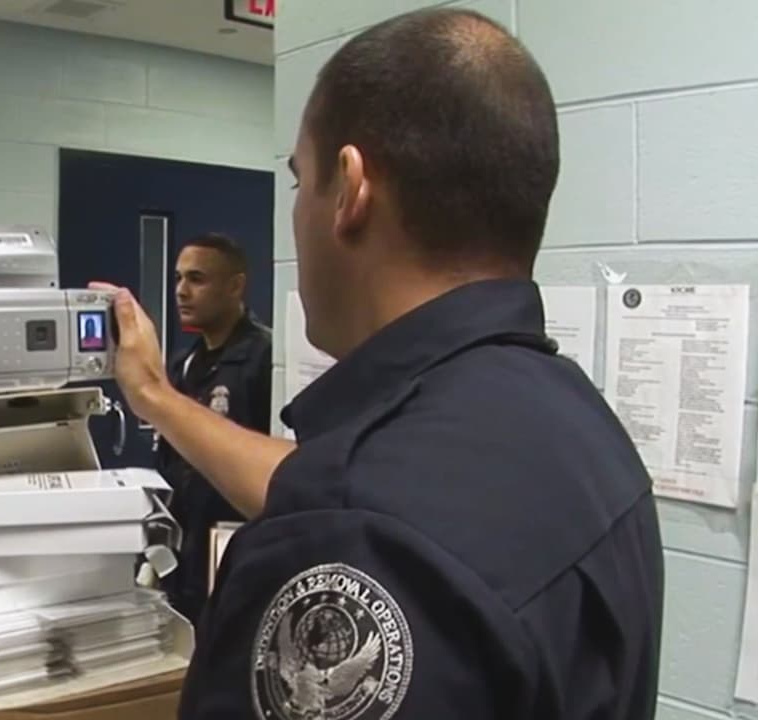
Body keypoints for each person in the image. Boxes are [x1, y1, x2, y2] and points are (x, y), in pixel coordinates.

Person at [96, 8, 663, 720]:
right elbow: (331, 483)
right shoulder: (585, 432)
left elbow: (357, 502)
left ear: (350, 190)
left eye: (299, 182)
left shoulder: (350, 538)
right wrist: (152, 391)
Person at [156, 233, 271, 622]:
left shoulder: (263, 361)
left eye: (196, 279)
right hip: (184, 554)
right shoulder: (183, 367)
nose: (181, 291)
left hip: (237, 550)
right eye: (178, 278)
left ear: (235, 286)